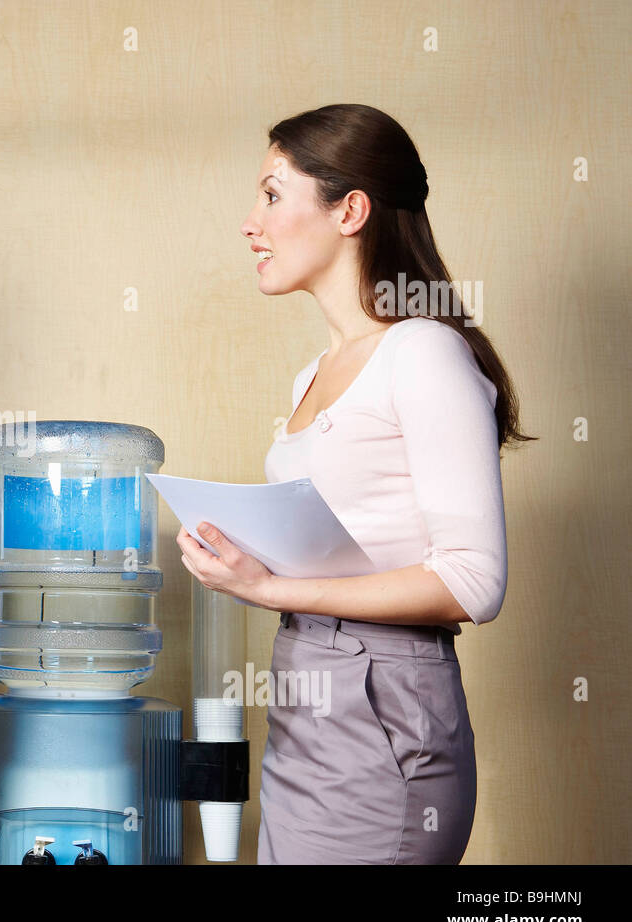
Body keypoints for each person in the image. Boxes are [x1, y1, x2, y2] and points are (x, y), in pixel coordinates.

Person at [176, 104, 533, 864]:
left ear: (351, 210)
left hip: (382, 713)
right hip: (306, 696)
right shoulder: (312, 373)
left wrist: (270, 588)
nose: (250, 222)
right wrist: (238, 552)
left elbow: (475, 580)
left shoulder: (424, 353)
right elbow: (349, 538)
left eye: (272, 195)